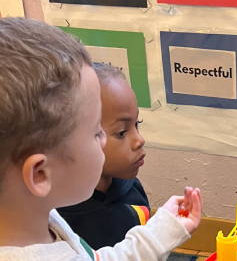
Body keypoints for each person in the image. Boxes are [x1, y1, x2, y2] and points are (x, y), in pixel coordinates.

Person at [0, 17, 202, 261]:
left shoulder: (36, 218)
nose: (104, 142)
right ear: (40, 174)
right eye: (97, 132)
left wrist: (161, 231)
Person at [57, 63, 151, 249]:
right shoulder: (61, 225)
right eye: (122, 133)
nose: (139, 140)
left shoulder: (131, 188)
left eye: (137, 124)